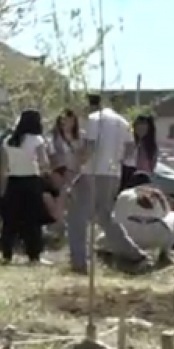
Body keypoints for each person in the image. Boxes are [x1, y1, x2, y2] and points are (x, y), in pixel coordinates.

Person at [67, 94, 148, 273]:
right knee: (104, 216)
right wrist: (116, 161)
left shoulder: (94, 120)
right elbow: (130, 149)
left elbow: (90, 147)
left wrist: (77, 163)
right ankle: (134, 254)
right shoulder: (123, 122)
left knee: (77, 217)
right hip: (112, 174)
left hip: (92, 172)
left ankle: (79, 262)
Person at [0, 110, 51, 265]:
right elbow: (44, 163)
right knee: (32, 220)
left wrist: (2, 189)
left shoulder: (8, 141)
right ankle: (34, 254)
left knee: (10, 220)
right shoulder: (37, 140)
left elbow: (3, 168)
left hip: (13, 181)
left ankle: (7, 253)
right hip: (31, 181)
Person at [104, 171, 174, 264]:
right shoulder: (157, 194)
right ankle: (165, 253)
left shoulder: (124, 194)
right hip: (156, 237)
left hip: (129, 236)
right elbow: (166, 214)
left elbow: (116, 217)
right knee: (173, 216)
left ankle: (114, 251)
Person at [120, 114, 158, 190]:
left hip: (143, 179)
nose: (140, 128)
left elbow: (152, 167)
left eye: (144, 126)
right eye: (138, 125)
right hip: (127, 177)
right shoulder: (130, 142)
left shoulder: (151, 147)